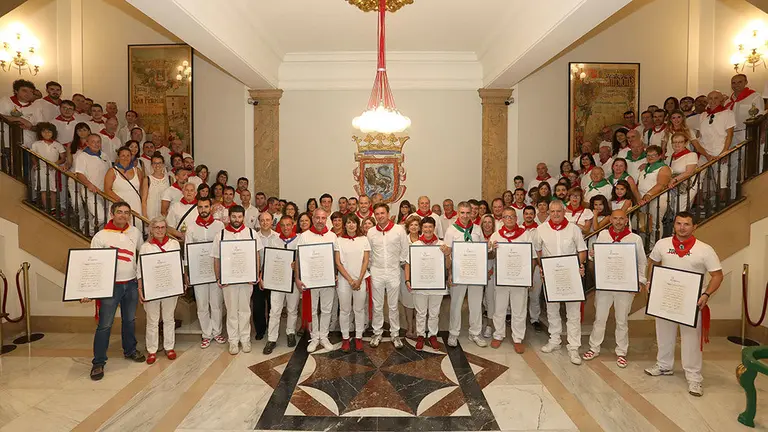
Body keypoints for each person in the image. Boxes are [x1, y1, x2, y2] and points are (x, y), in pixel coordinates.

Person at [644, 212, 723, 397]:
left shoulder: (705, 249)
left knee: (691, 341)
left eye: (686, 224)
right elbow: (653, 261)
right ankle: (664, 366)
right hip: (665, 298)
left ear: (694, 226)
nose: (682, 227)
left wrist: (706, 294)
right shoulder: (662, 244)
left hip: (692, 303)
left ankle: (694, 378)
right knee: (663, 333)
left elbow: (717, 275)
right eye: (679, 223)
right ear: (674, 225)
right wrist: (650, 281)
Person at [81, 202, 145, 380]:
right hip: (110, 287)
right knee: (105, 325)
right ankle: (99, 362)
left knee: (130, 320)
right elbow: (92, 264)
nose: (123, 216)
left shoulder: (135, 232)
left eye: (126, 213)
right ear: (112, 213)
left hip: (131, 284)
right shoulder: (101, 236)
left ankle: (130, 350)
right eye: (119, 212)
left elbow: (143, 253)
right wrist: (88, 290)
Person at [583, 210, 646, 368]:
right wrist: (592, 254)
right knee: (600, 318)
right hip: (605, 284)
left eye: (621, 219)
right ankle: (594, 347)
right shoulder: (603, 235)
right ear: (610, 219)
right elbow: (597, 256)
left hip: (625, 287)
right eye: (615, 218)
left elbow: (642, 262)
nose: (618, 222)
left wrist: (639, 281)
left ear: (626, 220)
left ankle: (621, 351)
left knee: (622, 320)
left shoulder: (635, 239)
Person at [535, 200, 587, 365]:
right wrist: (542, 265)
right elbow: (538, 249)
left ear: (564, 212)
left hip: (571, 276)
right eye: (552, 211)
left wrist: (581, 265)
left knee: (573, 312)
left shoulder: (574, 229)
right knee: (552, 310)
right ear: (548, 212)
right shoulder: (541, 229)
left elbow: (582, 250)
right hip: (551, 276)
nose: (556, 214)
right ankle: (555, 340)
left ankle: (573, 346)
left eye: (559, 211)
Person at [212, 205, 263, 355]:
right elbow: (216, 258)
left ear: (243, 217)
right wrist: (218, 277)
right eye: (234, 217)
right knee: (232, 310)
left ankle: (245, 338)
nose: (237, 220)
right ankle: (233, 340)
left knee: (245, 309)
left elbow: (257, 255)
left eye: (239, 217)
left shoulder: (251, 233)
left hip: (246, 280)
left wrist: (256, 274)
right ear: (229, 217)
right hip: (228, 281)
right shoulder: (220, 235)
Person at [489, 207, 537, 352]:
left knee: (519, 309)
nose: (509, 219)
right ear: (502, 219)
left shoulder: (525, 235)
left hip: (519, 279)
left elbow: (533, 257)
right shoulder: (496, 235)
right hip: (502, 279)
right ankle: (498, 335)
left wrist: (529, 278)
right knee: (500, 308)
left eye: (511, 217)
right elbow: (490, 257)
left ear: (516, 218)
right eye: (505, 217)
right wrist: (491, 249)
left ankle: (517, 338)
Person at [138, 217, 182, 364]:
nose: (159, 230)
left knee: (169, 318)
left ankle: (169, 347)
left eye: (162, 227)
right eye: (156, 227)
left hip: (170, 287)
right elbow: (140, 270)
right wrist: (140, 288)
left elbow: (178, 266)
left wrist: (180, 283)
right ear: (151, 229)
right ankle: (152, 349)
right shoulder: (146, 247)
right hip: (152, 289)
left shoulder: (174, 244)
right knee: (152, 320)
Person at [184, 197, 226, 348]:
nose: (203, 210)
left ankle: (217, 332)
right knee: (202, 304)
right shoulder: (191, 227)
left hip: (215, 271)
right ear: (197, 209)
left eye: (206, 207)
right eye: (200, 207)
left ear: (211, 208)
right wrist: (187, 272)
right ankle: (206, 334)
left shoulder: (219, 225)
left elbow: (224, 247)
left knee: (216, 303)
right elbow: (187, 251)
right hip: (198, 272)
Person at [444, 201, 486, 347]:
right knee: (456, 304)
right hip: (458, 273)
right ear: (457, 213)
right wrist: (450, 274)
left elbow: (481, 251)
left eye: (468, 213)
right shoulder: (451, 230)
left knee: (476, 304)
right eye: (462, 212)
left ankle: (475, 333)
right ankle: (453, 333)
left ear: (472, 213)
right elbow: (447, 254)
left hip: (475, 273)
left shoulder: (477, 229)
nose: (465, 215)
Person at [366, 203, 408, 349]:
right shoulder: (371, 232)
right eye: (377, 214)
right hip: (377, 272)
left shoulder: (399, 230)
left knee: (393, 306)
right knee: (377, 306)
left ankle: (394, 334)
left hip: (393, 271)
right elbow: (369, 253)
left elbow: (405, 249)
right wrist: (371, 268)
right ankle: (377, 333)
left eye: (382, 213)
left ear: (388, 214)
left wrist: (397, 264)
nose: (380, 216)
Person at [296, 208, 338, 352]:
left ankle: (324, 336)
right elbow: (298, 259)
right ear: (312, 218)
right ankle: (314, 338)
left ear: (326, 219)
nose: (320, 221)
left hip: (327, 279)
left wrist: (336, 274)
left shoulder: (332, 236)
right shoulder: (305, 236)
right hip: (310, 281)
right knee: (312, 310)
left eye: (323, 218)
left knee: (327, 309)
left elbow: (336, 259)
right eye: (317, 218)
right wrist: (297, 278)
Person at [404, 216, 449, 350]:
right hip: (420, 284)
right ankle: (420, 335)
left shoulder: (441, 245)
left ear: (434, 228)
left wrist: (447, 254)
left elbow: (448, 266)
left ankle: (433, 335)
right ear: (421, 229)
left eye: (430, 226)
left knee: (434, 313)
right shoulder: (416, 245)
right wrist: (407, 280)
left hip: (437, 285)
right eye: (425, 227)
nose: (428, 229)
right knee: (421, 312)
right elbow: (408, 264)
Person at [263, 215, 302, 354]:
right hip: (277, 282)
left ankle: (290, 332)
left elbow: (303, 259)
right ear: (279, 226)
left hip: (292, 280)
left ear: (293, 225)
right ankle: (272, 338)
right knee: (275, 310)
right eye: (283, 225)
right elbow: (269, 260)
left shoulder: (299, 239)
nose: (286, 228)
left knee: (292, 309)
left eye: (288, 225)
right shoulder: (274, 240)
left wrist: (297, 264)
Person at [334, 214, 371, 352]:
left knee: (359, 309)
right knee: (345, 310)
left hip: (360, 280)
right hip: (345, 281)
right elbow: (338, 263)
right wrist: (350, 280)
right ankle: (345, 338)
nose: (351, 225)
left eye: (354, 223)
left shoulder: (364, 240)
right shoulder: (339, 240)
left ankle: (359, 337)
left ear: (357, 225)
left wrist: (360, 279)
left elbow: (365, 261)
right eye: (348, 223)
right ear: (345, 225)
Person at [698, 90, 736, 200]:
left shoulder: (728, 113)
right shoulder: (703, 115)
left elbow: (729, 135)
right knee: (698, 179)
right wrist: (702, 152)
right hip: (705, 151)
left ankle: (721, 205)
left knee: (721, 179)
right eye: (710, 98)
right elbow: (700, 135)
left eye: (716, 98)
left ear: (721, 100)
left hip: (720, 150)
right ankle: (700, 205)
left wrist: (724, 152)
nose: (713, 101)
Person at [74, 134, 111, 233]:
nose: (96, 144)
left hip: (104, 192)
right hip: (90, 191)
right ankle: (89, 232)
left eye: (98, 141)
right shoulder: (82, 156)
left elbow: (110, 173)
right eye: (93, 142)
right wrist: (89, 185)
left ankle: (96, 236)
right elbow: (79, 174)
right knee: (100, 217)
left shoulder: (104, 156)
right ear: (87, 143)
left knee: (104, 218)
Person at [637, 145, 672, 240]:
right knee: (644, 223)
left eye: (653, 155)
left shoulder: (664, 168)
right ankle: (645, 245)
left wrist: (648, 194)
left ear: (660, 156)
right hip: (643, 199)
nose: (650, 157)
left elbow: (661, 184)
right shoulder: (645, 167)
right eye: (648, 155)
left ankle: (654, 245)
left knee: (654, 223)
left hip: (657, 198)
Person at [30, 122, 66, 212]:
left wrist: (54, 164)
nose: (47, 134)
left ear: (53, 133)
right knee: (43, 189)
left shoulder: (58, 145)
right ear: (40, 133)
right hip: (41, 168)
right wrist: (35, 164)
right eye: (44, 132)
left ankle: (53, 208)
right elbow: (33, 156)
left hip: (53, 169)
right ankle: (46, 208)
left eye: (49, 131)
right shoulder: (36, 144)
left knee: (53, 189)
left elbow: (63, 158)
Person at [104, 147, 143, 228]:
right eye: (123, 155)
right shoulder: (112, 171)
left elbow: (141, 189)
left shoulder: (137, 171)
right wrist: (120, 201)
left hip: (136, 204)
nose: (125, 158)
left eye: (128, 155)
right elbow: (107, 190)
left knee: (135, 229)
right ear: (118, 157)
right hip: (119, 204)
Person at [253, 211, 277, 341]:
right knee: (258, 305)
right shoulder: (254, 237)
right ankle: (260, 330)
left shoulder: (278, 237)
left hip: (275, 276)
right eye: (262, 220)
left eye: (268, 220)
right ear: (259, 222)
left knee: (273, 305)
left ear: (272, 221)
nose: (265, 222)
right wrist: (259, 276)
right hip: (258, 276)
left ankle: (272, 330)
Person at [726, 73, 764, 143]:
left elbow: (760, 117)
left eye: (740, 82)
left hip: (746, 134)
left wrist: (762, 133)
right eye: (733, 83)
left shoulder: (754, 97)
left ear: (746, 82)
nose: (736, 85)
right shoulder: (728, 101)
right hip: (730, 136)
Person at [1, 79, 40, 146]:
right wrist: (19, 119)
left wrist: (30, 127)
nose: (28, 94)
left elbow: (40, 127)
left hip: (30, 145)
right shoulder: (5, 101)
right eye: (24, 91)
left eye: (31, 92)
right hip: (7, 144)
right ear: (16, 91)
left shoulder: (36, 107)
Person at [400, 215, 421, 338]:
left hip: (421, 276)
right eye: (411, 225)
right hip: (405, 274)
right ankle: (409, 327)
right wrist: (409, 271)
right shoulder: (404, 241)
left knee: (420, 302)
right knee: (408, 302)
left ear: (420, 227)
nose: (413, 227)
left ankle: (418, 326)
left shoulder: (424, 240)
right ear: (408, 227)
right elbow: (401, 259)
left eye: (416, 225)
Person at [668, 132, 699, 213]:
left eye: (680, 142)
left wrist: (674, 180)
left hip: (688, 186)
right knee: (674, 208)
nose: (677, 144)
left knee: (679, 210)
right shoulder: (672, 156)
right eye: (674, 142)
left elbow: (689, 172)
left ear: (685, 143)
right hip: (676, 187)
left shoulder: (691, 155)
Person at [141, 154, 173, 219]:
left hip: (165, 213)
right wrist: (145, 216)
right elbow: (144, 200)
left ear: (163, 164)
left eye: (159, 163)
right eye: (155, 163)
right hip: (151, 212)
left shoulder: (170, 178)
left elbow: (172, 198)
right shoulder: (147, 179)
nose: (157, 165)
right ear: (152, 165)